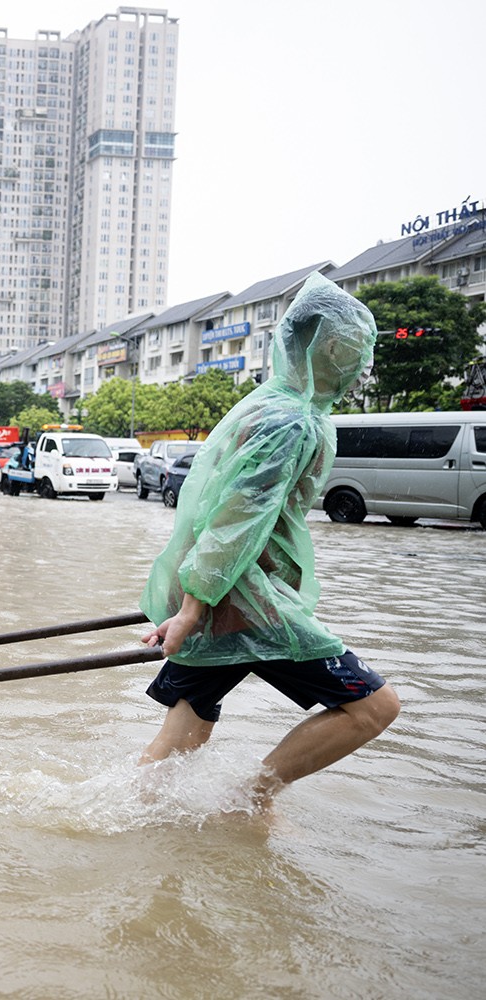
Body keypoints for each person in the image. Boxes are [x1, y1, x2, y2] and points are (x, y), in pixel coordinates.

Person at [138, 272, 400, 808]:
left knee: (186, 732)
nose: (359, 367)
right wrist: (193, 608)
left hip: (221, 589)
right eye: (356, 353)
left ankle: (126, 818)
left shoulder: (270, 405)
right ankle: (254, 796)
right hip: (242, 595)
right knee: (375, 708)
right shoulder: (293, 421)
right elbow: (237, 517)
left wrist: (194, 603)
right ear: (328, 347)